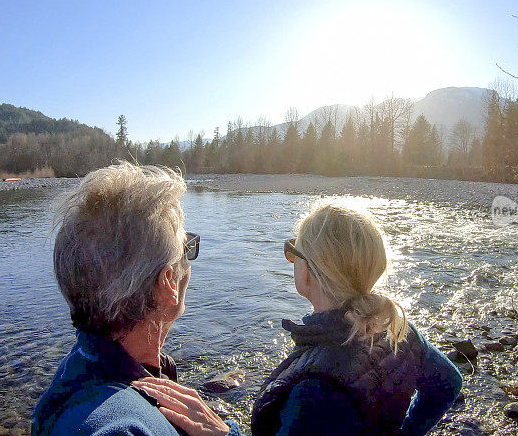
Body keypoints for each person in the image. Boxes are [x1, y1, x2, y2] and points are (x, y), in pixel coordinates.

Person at [32, 162, 240, 436]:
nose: (188, 266)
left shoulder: (79, 368)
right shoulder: (122, 427)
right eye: (186, 249)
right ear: (167, 282)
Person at [250, 203, 463, 436]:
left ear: (308, 271)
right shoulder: (400, 331)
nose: (291, 257)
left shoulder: (315, 391)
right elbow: (448, 382)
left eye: (294, 250)